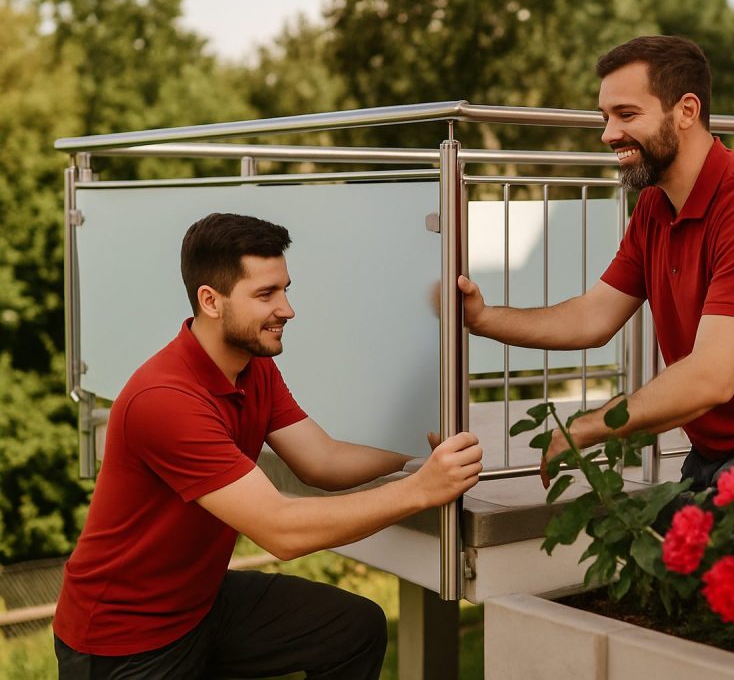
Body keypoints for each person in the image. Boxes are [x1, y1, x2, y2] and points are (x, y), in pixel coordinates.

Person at [53, 213, 483, 679]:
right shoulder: (164, 400)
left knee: (352, 628)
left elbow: (322, 459)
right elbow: (282, 531)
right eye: (266, 294)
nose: (288, 309)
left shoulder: (251, 367)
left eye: (285, 289)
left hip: (198, 604)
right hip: (123, 641)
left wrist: (420, 461)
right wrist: (421, 490)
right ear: (210, 301)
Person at [459, 35, 734, 497]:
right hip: (712, 450)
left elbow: (710, 378)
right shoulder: (654, 205)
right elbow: (593, 317)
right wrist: (483, 319)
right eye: (605, 118)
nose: (607, 134)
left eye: (626, 114)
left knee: (668, 556)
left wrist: (587, 427)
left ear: (686, 110)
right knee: (648, 555)